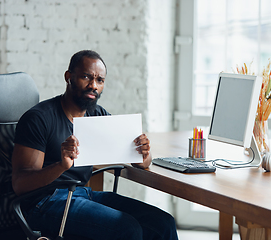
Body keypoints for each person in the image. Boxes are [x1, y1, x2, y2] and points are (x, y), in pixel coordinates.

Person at [11, 50, 179, 240]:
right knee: (127, 228)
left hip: (83, 194)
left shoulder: (97, 116)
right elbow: (20, 184)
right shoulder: (39, 118)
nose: (93, 86)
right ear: (69, 77)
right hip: (45, 202)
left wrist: (143, 153)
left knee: (163, 223)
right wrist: (61, 166)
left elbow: (141, 162)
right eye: (86, 77)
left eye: (100, 80)